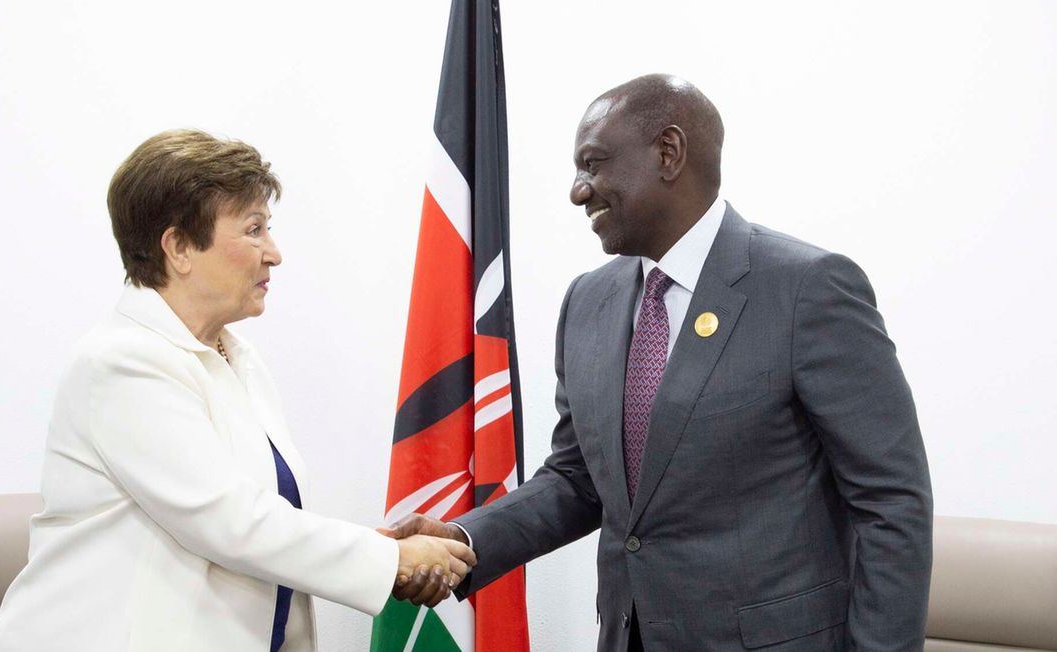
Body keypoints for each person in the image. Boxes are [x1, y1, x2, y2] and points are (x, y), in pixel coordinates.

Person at [388, 75, 933, 651]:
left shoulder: (806, 289)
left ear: (668, 153)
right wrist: (460, 538)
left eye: (592, 164)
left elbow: (892, 503)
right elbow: (579, 479)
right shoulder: (588, 302)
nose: (578, 191)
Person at [0, 129, 475, 652]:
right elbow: (230, 521)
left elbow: (266, 520)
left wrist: (376, 550)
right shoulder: (121, 361)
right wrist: (388, 561)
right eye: (253, 229)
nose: (275, 253)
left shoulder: (237, 357)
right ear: (178, 247)